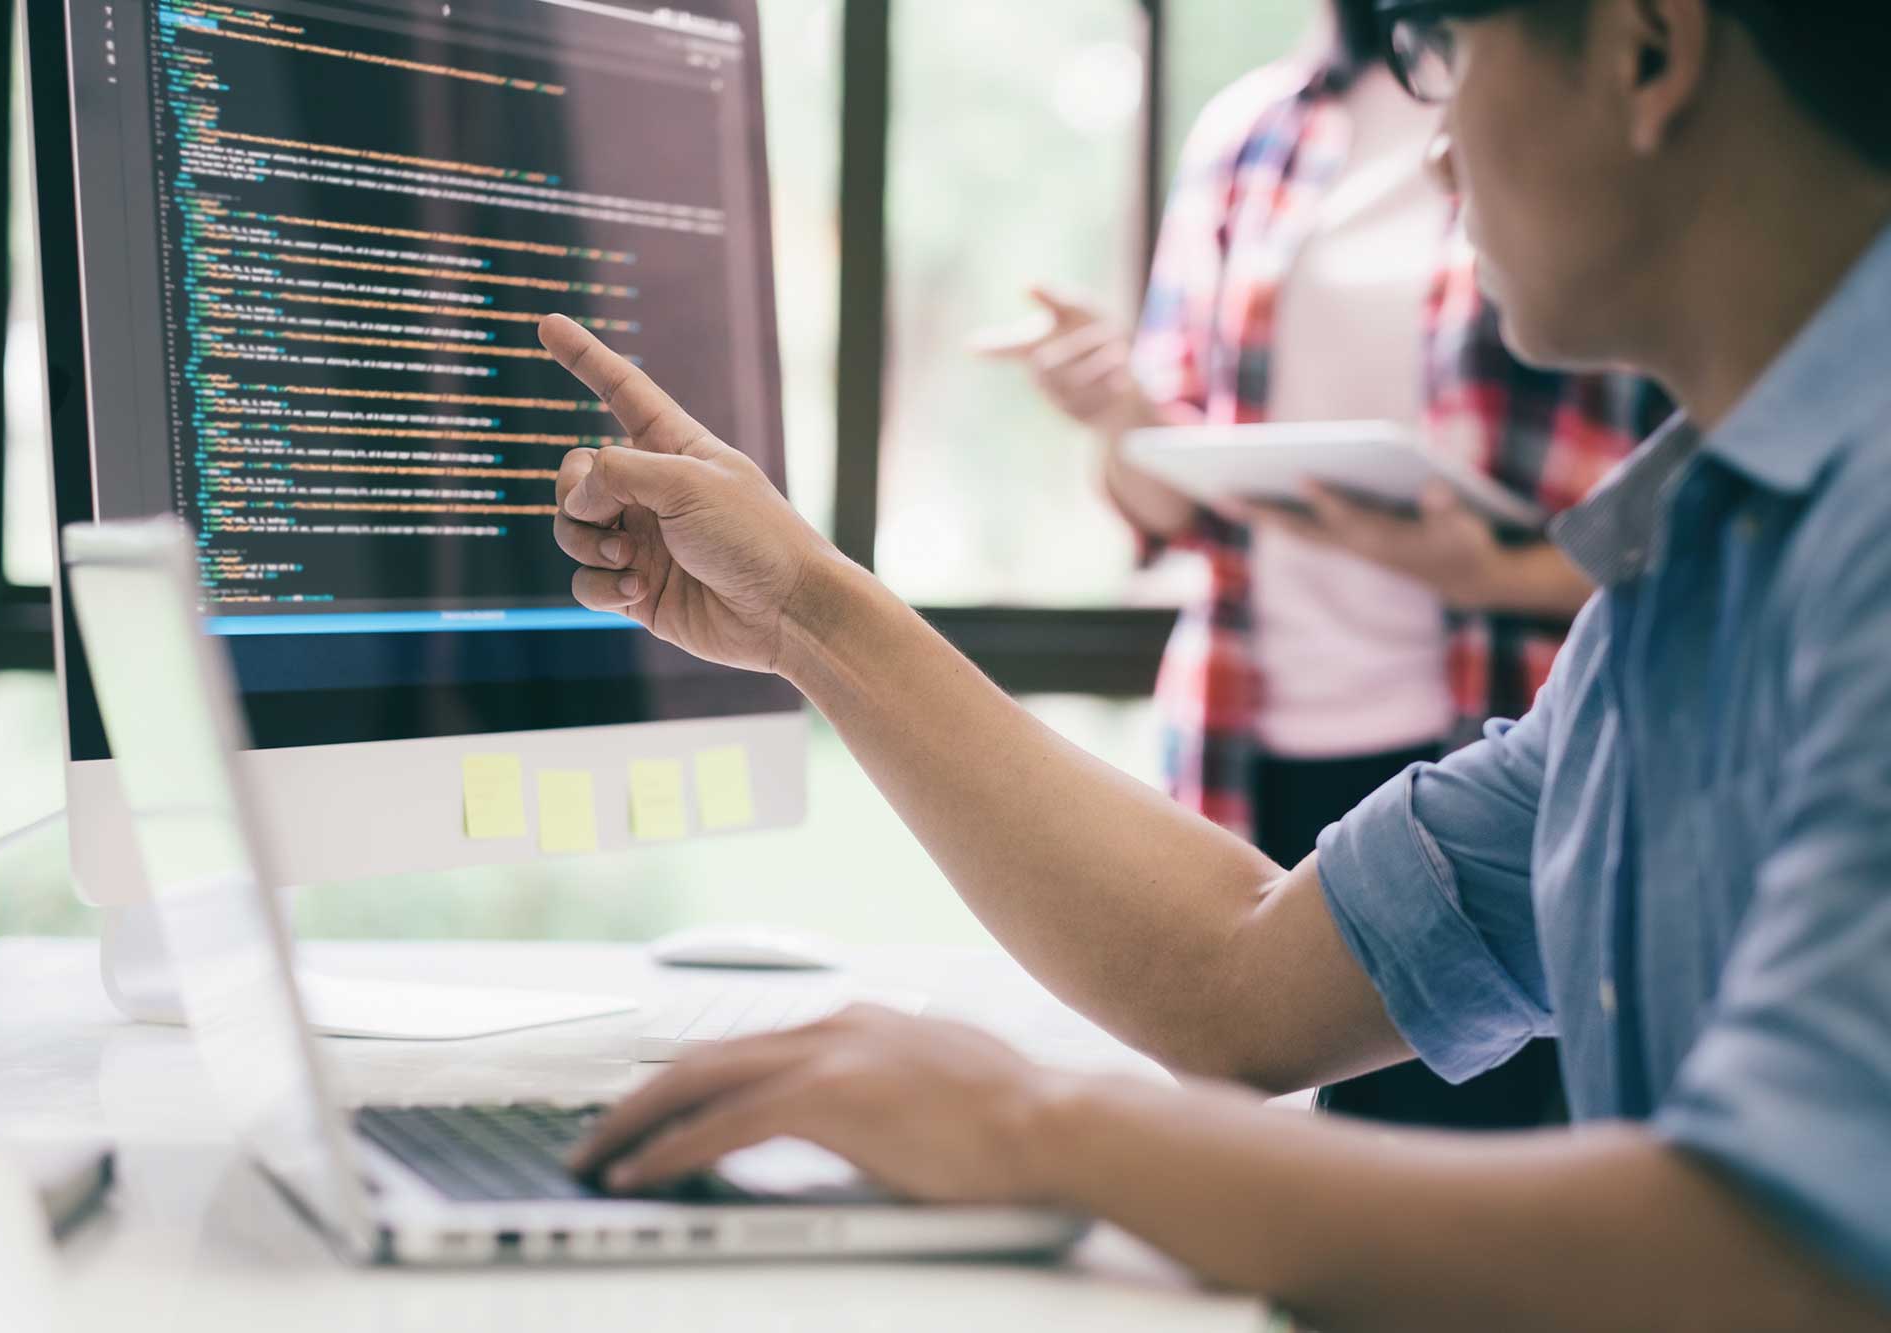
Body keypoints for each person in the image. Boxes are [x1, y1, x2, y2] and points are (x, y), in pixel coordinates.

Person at [538, 0, 1891, 1325]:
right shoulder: (1691, 571)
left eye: (1451, 52)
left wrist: (1034, 1127)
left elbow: (1786, 1257)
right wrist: (803, 610)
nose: (1434, 150)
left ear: (1647, 50)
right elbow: (1235, 976)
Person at [981, 0, 1666, 1129]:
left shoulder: (1560, 112)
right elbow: (1169, 498)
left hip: (1490, 719)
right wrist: (1122, 415)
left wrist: (1487, 577)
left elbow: (1668, 527)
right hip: (1254, 733)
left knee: (1457, 1157)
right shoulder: (1249, 131)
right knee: (1275, 1086)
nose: (1445, 163)